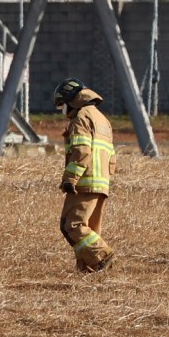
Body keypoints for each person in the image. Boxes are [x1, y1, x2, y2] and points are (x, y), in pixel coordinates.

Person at [53, 80, 116, 272]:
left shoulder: (81, 118)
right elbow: (111, 155)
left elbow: (81, 151)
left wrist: (70, 179)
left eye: (62, 104)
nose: (62, 109)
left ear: (72, 100)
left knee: (71, 225)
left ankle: (102, 256)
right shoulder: (102, 119)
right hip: (101, 182)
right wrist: (107, 178)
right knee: (90, 229)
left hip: (85, 181)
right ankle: (87, 267)